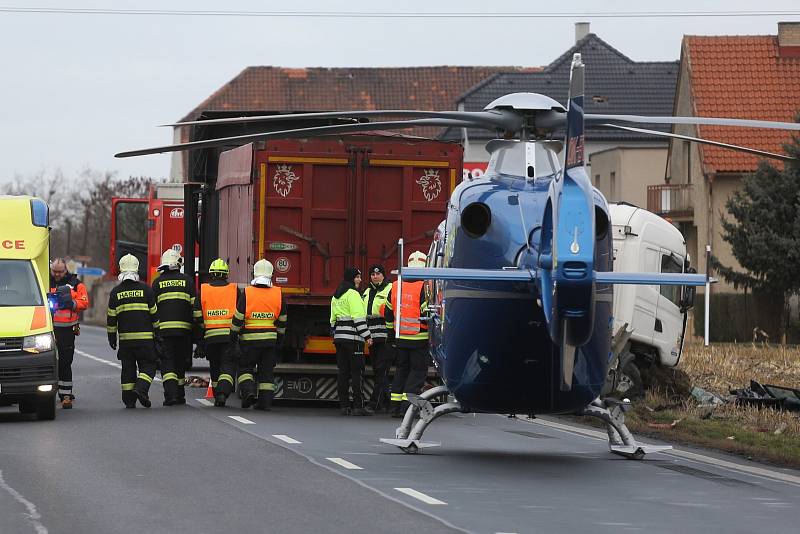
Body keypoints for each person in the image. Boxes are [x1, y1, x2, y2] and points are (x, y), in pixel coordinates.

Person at [231, 259, 286, 411]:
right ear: (271, 275)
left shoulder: (247, 292)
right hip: (269, 342)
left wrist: (233, 338)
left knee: (244, 368)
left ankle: (248, 392)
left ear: (254, 273)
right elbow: (282, 322)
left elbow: (237, 319)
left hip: (249, 341)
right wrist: (279, 342)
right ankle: (265, 403)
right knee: (266, 374)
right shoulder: (278, 293)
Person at [106, 254, 159, 408]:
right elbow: (155, 316)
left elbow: (111, 319)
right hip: (146, 341)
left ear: (121, 270)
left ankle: (129, 400)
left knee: (128, 369)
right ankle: (141, 389)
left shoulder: (115, 292)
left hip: (126, 341)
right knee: (149, 366)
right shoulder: (147, 290)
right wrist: (159, 335)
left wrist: (112, 338)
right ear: (137, 269)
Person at [385, 251, 430, 418]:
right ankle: (408, 409)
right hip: (419, 337)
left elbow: (389, 313)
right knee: (417, 373)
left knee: (401, 371)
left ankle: (394, 407)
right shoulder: (425, 286)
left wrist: (391, 335)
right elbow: (428, 314)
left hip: (400, 338)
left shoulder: (395, 285)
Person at [151, 249, 195, 406]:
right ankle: (181, 395)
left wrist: (153, 332)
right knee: (180, 363)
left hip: (164, 332)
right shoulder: (188, 281)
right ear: (178, 263)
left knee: (167, 363)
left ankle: (171, 396)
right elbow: (194, 308)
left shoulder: (157, 283)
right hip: (184, 331)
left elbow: (152, 310)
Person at [194, 258, 239, 407]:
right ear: (226, 274)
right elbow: (240, 314)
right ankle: (223, 393)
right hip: (229, 337)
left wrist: (200, 341)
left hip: (210, 338)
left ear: (211, 274)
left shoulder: (203, 290)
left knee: (214, 365)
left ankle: (216, 393)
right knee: (227, 365)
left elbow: (197, 316)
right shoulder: (234, 290)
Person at [330, 267, 372, 416]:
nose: (360, 280)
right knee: (357, 372)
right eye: (358, 277)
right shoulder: (353, 294)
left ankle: (344, 405)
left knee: (343, 372)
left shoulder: (336, 295)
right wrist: (367, 336)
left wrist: (336, 335)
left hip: (339, 339)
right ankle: (358, 406)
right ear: (351, 278)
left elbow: (332, 320)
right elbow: (358, 318)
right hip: (353, 339)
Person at [49, 258, 90, 409]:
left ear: (66, 270)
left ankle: (66, 395)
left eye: (60, 272)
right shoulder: (45, 281)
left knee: (66, 361)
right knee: (48, 361)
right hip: (48, 329)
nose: (57, 274)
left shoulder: (76, 284)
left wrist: (72, 304)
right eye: (55, 271)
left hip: (68, 329)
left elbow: (84, 302)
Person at [362, 263, 394, 412]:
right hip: (372, 337)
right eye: (373, 274)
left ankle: (373, 404)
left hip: (385, 336)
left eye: (378, 274)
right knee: (378, 370)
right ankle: (388, 404)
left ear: (383, 275)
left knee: (381, 370)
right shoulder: (366, 291)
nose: (375, 276)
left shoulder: (389, 289)